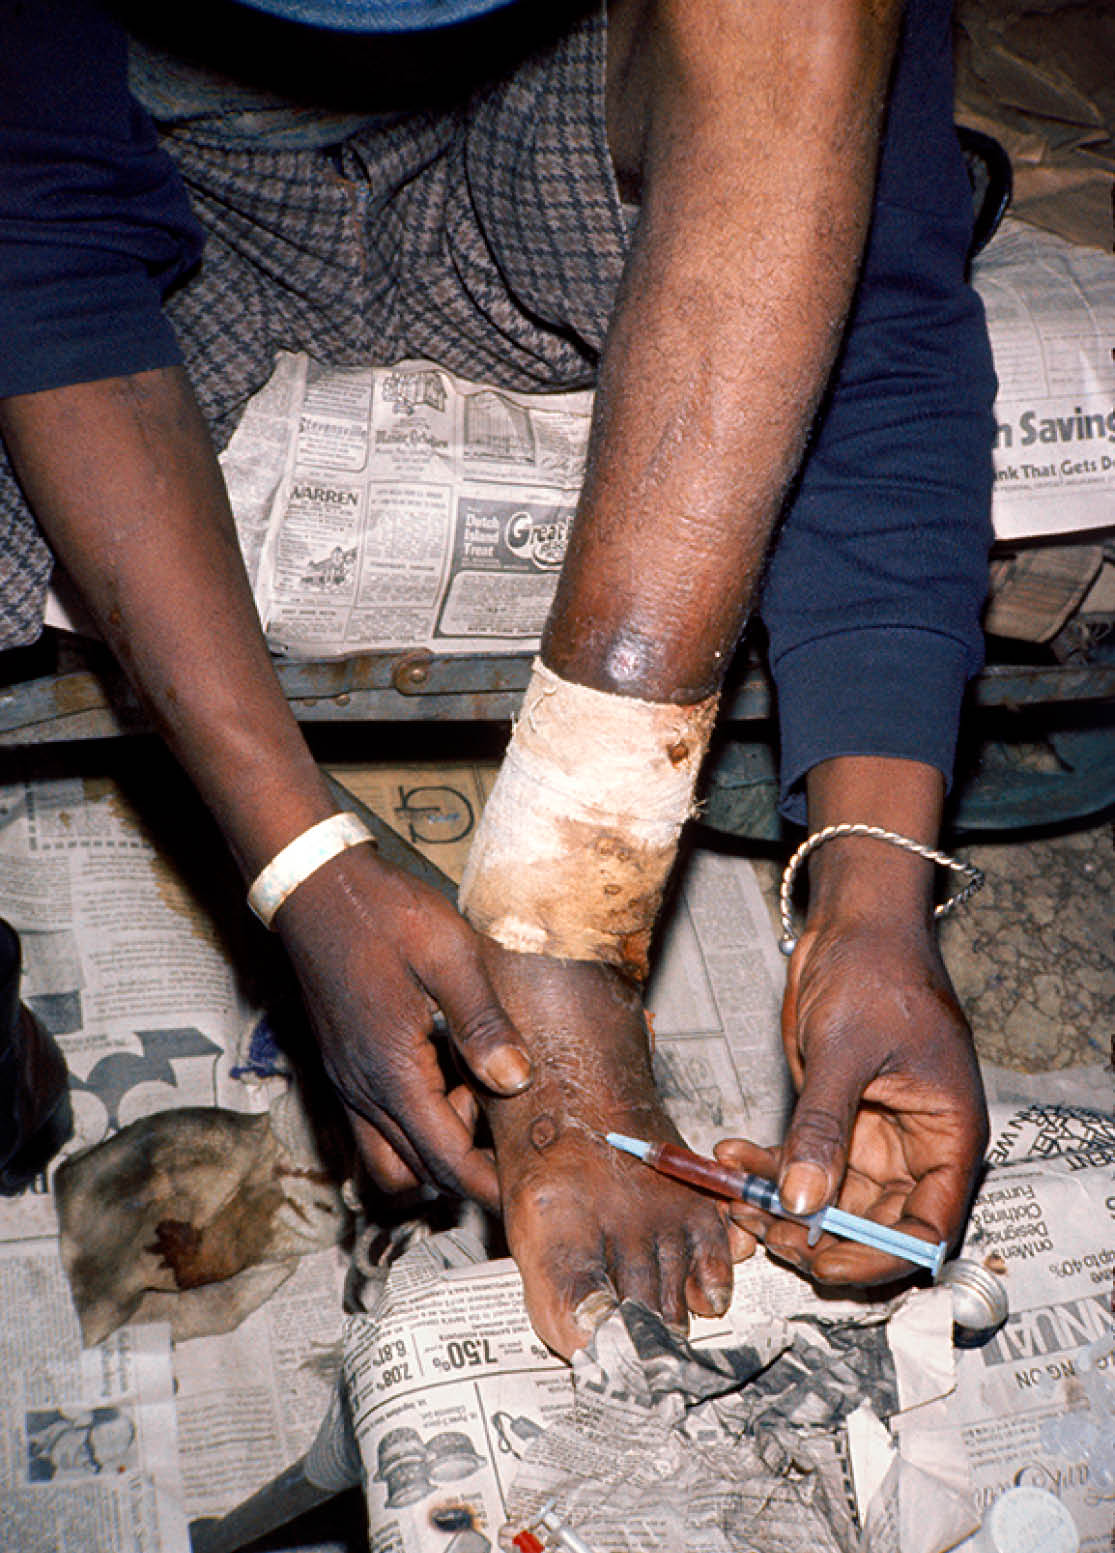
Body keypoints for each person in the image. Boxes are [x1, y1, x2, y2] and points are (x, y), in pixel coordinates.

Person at [0, 0, 995, 1357]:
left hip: (575, 129)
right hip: (171, 147)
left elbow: (881, 324)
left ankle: (564, 947)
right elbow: (41, 237)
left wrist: (876, 901)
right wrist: (291, 852)